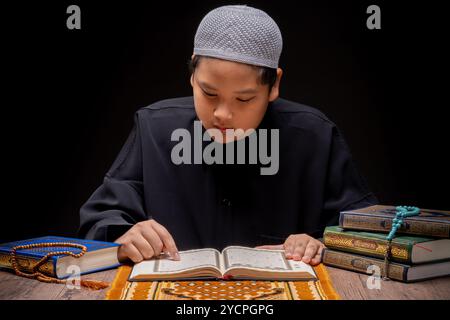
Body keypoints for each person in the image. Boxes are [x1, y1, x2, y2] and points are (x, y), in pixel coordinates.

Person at [78, 5, 378, 266]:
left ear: (273, 86)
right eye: (209, 92)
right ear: (193, 73)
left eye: (244, 99)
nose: (222, 114)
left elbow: (367, 232)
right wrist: (123, 235)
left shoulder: (314, 136)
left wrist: (322, 244)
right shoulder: (154, 128)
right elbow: (100, 219)